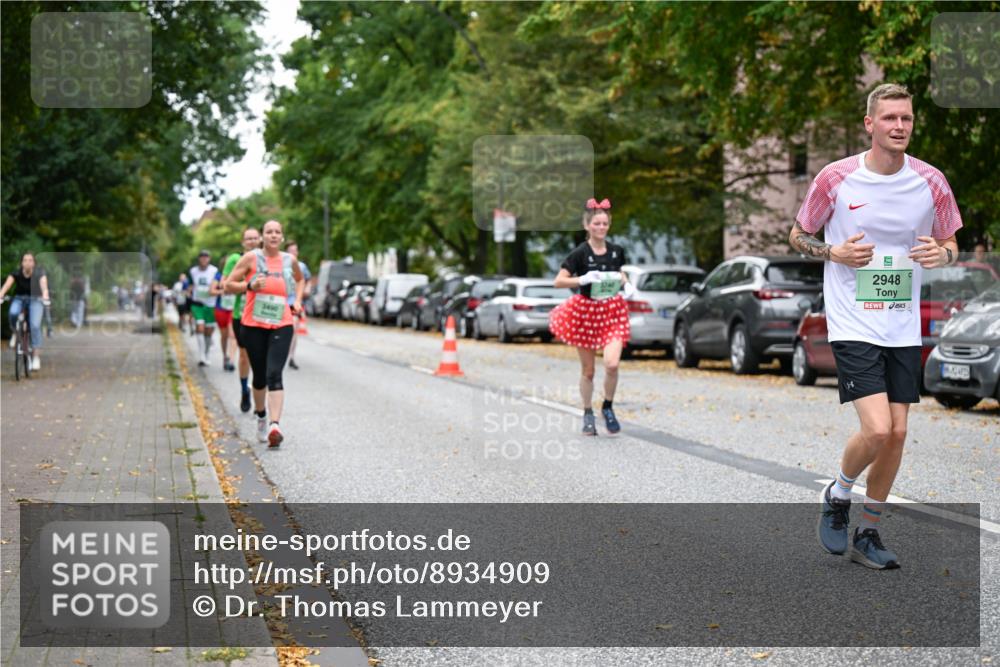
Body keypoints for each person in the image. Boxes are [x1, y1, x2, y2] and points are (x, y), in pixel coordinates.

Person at [789, 83, 962, 570]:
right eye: (889, 118)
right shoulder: (835, 178)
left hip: (902, 324)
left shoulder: (931, 181)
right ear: (870, 124)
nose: (899, 126)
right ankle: (838, 492)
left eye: (905, 118)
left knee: (899, 433)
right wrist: (833, 251)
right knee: (878, 427)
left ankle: (868, 531)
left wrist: (941, 253)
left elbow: (950, 242)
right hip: (852, 318)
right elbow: (798, 233)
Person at [550, 198, 634, 436]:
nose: (601, 227)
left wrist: (626, 285)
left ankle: (607, 406)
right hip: (586, 312)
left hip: (611, 311)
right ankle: (587, 412)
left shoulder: (617, 251)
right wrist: (582, 279)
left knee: (612, 364)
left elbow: (620, 272)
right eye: (596, 223)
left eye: (604, 223)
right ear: (587, 225)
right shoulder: (580, 252)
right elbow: (558, 280)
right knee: (589, 371)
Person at [224, 220, 304, 447]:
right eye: (269, 232)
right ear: (262, 236)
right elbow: (229, 284)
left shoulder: (290, 260)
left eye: (277, 232)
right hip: (253, 325)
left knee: (274, 374)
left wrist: (297, 300)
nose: (273, 235)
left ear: (282, 236)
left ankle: (274, 426)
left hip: (282, 323)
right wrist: (248, 286)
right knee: (259, 377)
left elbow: (300, 280)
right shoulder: (251, 258)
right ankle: (261, 416)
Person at [220, 226, 262, 412]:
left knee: (261, 359)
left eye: (255, 238)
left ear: (260, 239)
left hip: (263, 315)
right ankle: (245, 389)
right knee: (244, 356)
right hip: (242, 314)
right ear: (243, 242)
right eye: (248, 239)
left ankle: (258, 391)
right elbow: (225, 284)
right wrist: (249, 285)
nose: (252, 241)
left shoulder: (267, 258)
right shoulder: (236, 259)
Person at [0, 252, 51, 371]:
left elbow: (44, 287)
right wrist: (1, 294)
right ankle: (15, 331)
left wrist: (45, 295)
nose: (27, 262)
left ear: (34, 263)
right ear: (21, 263)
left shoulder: (39, 273)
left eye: (30, 260)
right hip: (19, 298)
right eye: (25, 260)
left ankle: (36, 357)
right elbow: (6, 286)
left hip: (36, 299)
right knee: (13, 313)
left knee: (34, 325)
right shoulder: (16, 273)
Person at [189, 250, 219, 367]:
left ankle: (206, 354)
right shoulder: (193, 271)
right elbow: (190, 286)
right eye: (202, 257)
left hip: (210, 305)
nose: (204, 259)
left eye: (206, 257)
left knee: (208, 332)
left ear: (209, 259)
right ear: (199, 259)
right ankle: (201, 355)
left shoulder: (214, 271)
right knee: (200, 327)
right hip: (197, 304)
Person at [284, 240, 311, 370]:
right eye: (291, 250)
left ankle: (291, 357)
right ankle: (281, 353)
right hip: (281, 302)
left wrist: (307, 290)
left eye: (295, 250)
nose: (293, 253)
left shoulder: (302, 266)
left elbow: (307, 280)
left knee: (293, 329)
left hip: (295, 302)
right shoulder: (281, 264)